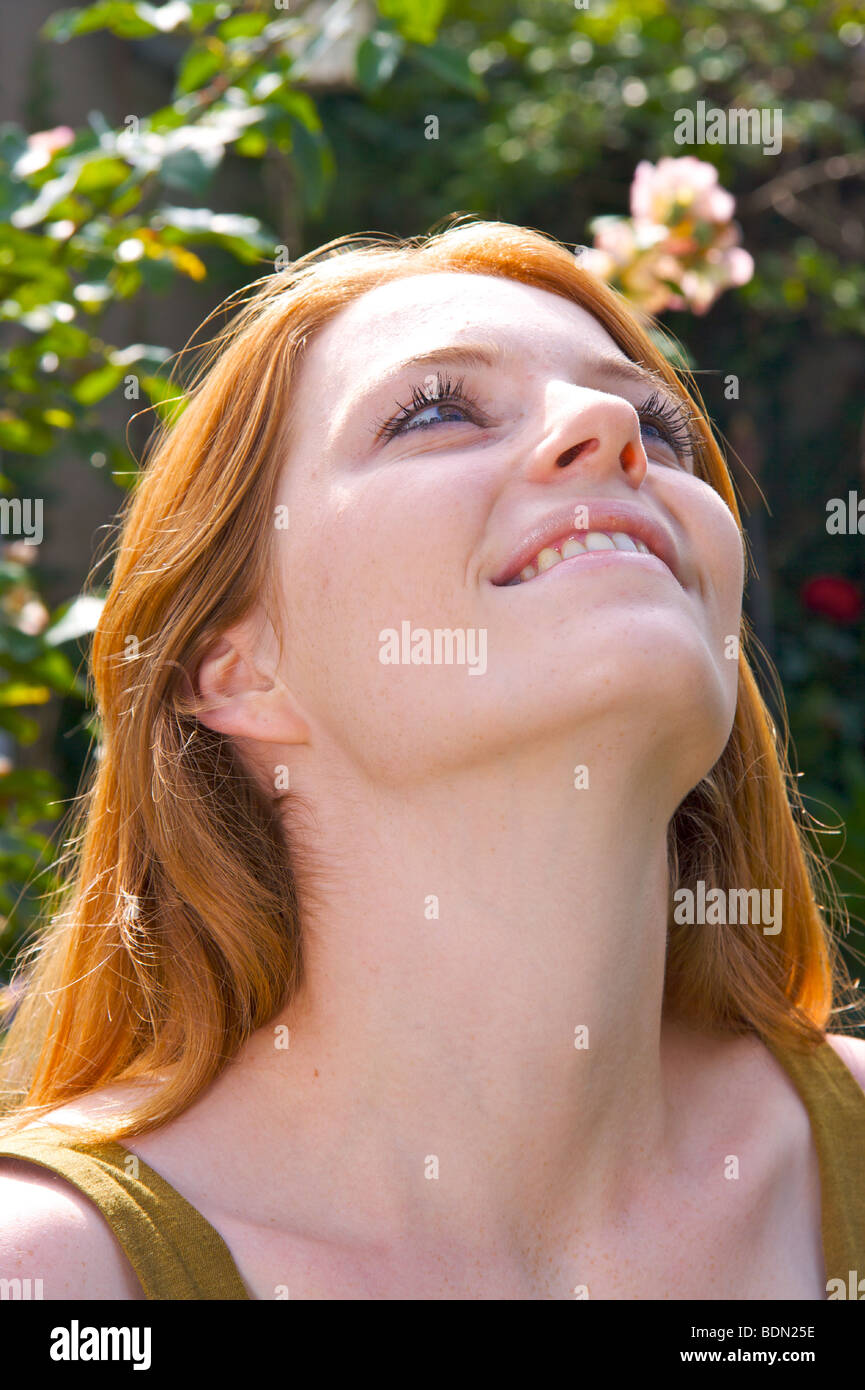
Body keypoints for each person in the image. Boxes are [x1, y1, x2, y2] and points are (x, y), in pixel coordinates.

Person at [0, 219, 863, 1301]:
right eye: (438, 411)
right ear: (233, 668)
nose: (611, 424)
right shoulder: (56, 1275)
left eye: (657, 422)